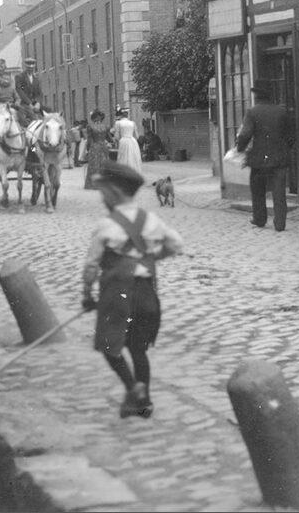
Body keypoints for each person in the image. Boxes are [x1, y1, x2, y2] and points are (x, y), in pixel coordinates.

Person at [81, 161, 183, 419]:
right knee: (139, 350)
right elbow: (175, 244)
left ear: (113, 192)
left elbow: (91, 266)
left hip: (118, 296)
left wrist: (87, 294)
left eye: (103, 193)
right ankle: (144, 403)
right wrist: (150, 258)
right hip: (147, 295)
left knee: (108, 346)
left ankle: (132, 388)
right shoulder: (151, 219)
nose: (102, 198)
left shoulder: (106, 225)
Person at [236, 80, 294, 231]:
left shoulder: (252, 112)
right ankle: (280, 223)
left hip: (259, 159)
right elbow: (291, 136)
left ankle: (260, 219)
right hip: (279, 158)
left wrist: (240, 148)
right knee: (279, 192)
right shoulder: (281, 112)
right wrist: (285, 149)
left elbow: (245, 134)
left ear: (256, 95)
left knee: (257, 190)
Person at [84, 110, 112, 189]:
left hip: (94, 147)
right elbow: (110, 139)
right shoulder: (106, 126)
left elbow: (89, 140)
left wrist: (87, 149)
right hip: (103, 147)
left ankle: (93, 184)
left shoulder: (90, 126)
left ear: (93, 118)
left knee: (94, 165)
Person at [111, 108, 143, 174]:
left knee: (123, 156)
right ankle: (133, 171)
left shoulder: (118, 123)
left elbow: (116, 136)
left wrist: (116, 140)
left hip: (124, 140)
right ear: (127, 115)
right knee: (132, 156)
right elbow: (137, 136)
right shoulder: (132, 123)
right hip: (132, 141)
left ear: (121, 115)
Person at [14, 57, 44, 125]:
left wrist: (38, 103)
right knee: (33, 119)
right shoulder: (19, 77)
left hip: (35, 104)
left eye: (32, 68)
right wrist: (29, 103)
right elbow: (20, 91)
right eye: (29, 68)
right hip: (24, 104)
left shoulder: (36, 78)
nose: (30, 69)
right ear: (26, 67)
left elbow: (40, 93)